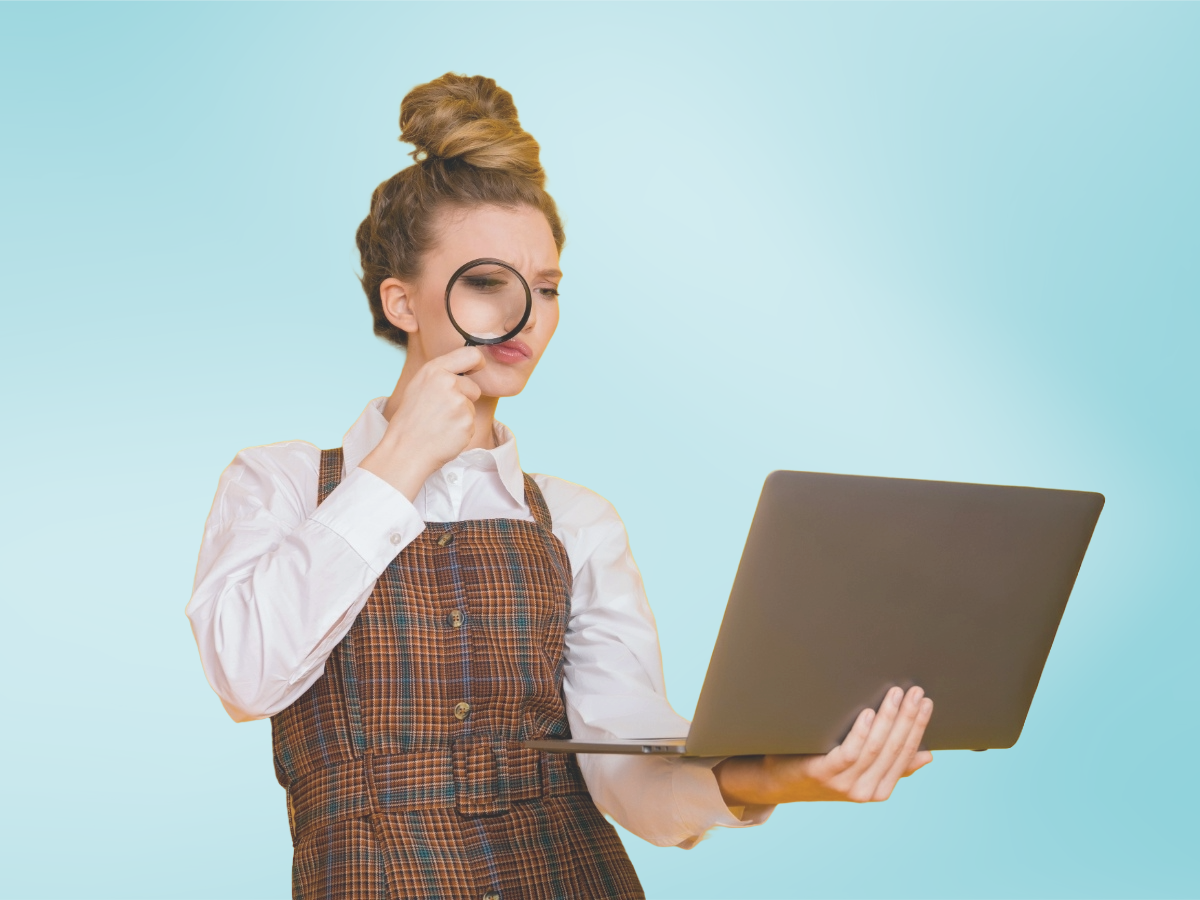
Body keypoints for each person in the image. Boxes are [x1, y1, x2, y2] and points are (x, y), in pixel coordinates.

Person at [185, 72, 935, 900]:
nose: (528, 316)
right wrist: (399, 462)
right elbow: (245, 677)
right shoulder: (281, 482)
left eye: (545, 289)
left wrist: (780, 776)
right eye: (486, 283)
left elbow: (629, 773)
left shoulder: (576, 520)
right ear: (401, 301)